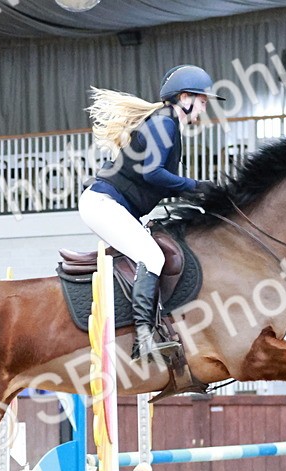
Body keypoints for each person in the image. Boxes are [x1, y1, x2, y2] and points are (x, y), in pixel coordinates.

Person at [80, 65, 223, 362]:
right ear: (185, 97)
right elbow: (153, 173)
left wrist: (195, 195)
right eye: (202, 100)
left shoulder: (168, 124)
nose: (205, 106)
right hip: (104, 204)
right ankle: (143, 336)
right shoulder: (165, 122)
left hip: (115, 207)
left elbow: (156, 180)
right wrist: (196, 186)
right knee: (153, 257)